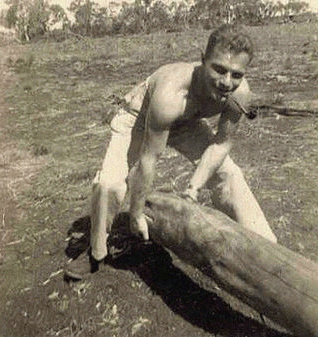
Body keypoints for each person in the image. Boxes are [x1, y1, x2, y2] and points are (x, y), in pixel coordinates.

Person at [65, 24, 277, 280]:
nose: (226, 82)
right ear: (202, 59)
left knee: (230, 174)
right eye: (219, 69)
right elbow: (149, 157)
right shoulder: (171, 92)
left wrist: (194, 187)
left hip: (187, 122)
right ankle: (96, 251)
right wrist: (136, 212)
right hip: (139, 117)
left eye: (236, 74)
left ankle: (269, 255)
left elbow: (221, 144)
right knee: (109, 184)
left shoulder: (239, 94)